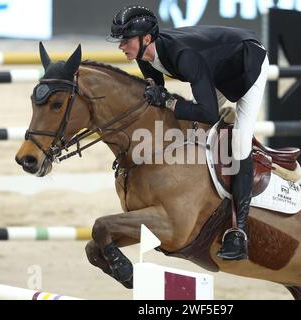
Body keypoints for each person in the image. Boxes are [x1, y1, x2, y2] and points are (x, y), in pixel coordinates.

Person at [107, 5, 269, 260]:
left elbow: (208, 113)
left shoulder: (184, 57)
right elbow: (155, 90)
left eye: (125, 40)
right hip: (216, 67)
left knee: (239, 143)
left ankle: (239, 232)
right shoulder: (143, 56)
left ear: (146, 39)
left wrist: (170, 102)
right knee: (194, 127)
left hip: (247, 65)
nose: (121, 46)